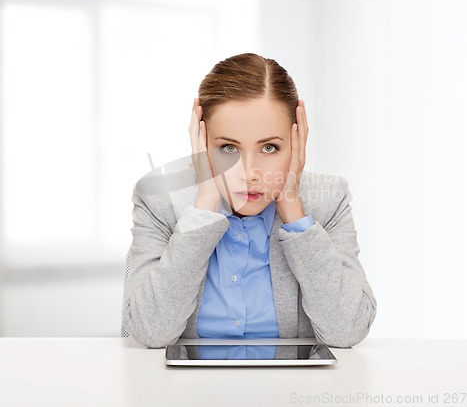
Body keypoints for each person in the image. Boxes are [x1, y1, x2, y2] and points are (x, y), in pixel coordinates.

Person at [121, 53, 377, 349]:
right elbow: (150, 331)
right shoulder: (160, 200)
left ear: (297, 141)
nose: (249, 173)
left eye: (269, 147)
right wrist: (204, 204)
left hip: (290, 391)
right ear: (202, 142)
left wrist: (293, 209)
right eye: (228, 148)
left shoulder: (328, 200)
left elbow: (347, 330)